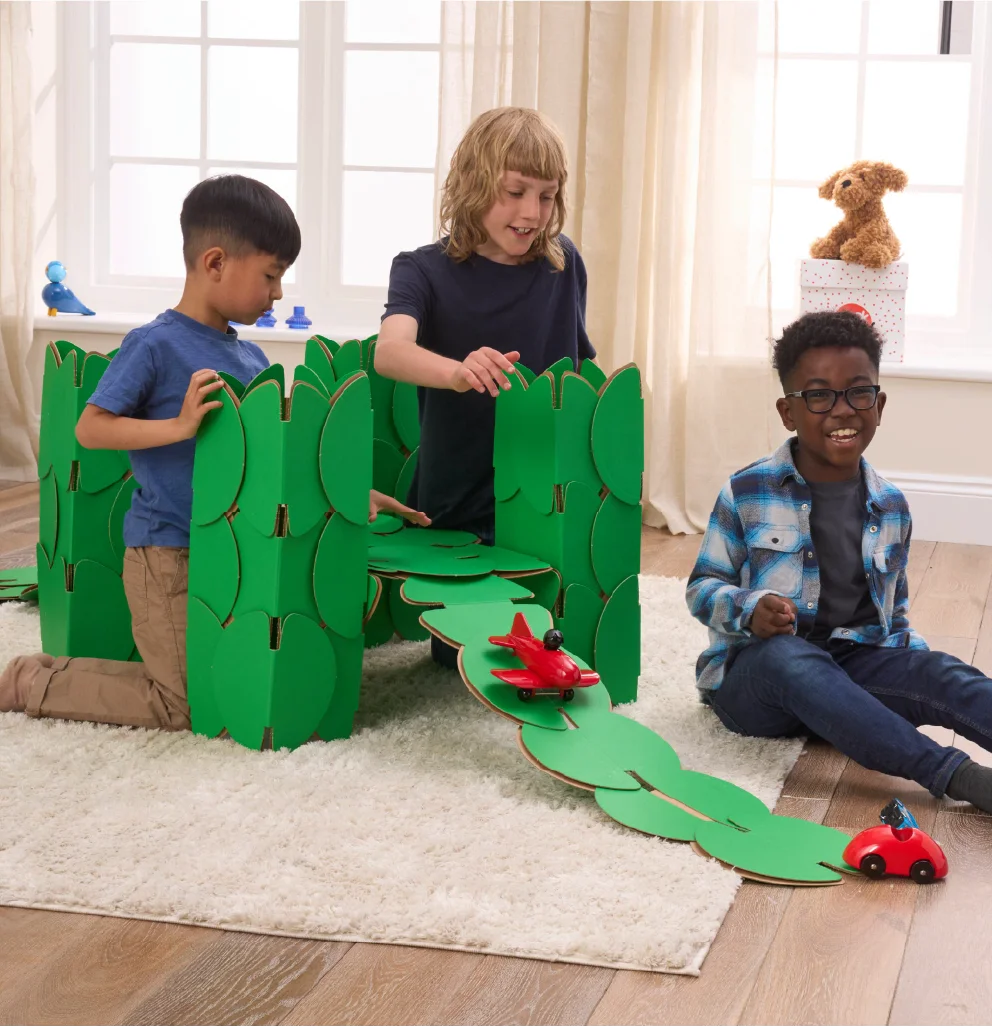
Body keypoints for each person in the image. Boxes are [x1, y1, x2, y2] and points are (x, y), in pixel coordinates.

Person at [0, 175, 425, 729]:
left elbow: (268, 462)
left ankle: (61, 673)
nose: (278, 292)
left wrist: (350, 494)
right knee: (185, 703)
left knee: (225, 679)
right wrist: (178, 427)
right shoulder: (154, 344)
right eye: (271, 275)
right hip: (168, 553)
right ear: (216, 262)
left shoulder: (251, 361)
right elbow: (92, 428)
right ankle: (30, 681)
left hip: (232, 552)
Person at [687, 310, 992, 825]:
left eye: (858, 393)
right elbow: (702, 587)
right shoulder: (746, 491)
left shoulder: (891, 506)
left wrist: (921, 677)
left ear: (879, 405)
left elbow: (895, 614)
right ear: (787, 412)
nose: (842, 410)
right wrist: (749, 608)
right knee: (787, 657)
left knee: (940, 672)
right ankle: (962, 778)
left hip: (852, 667)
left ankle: (867, 717)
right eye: (819, 396)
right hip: (759, 684)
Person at [374, 106, 596, 545]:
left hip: (545, 502)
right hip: (451, 509)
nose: (532, 213)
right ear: (472, 182)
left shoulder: (564, 262)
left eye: (546, 196)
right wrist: (458, 373)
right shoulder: (420, 269)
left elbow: (578, 371)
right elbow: (390, 351)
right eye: (515, 191)